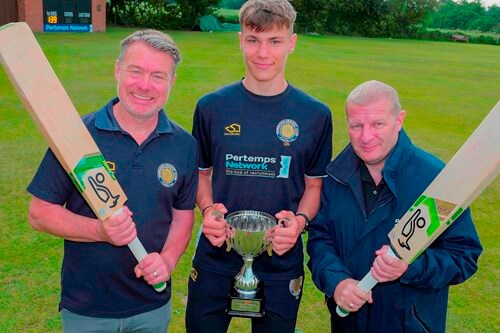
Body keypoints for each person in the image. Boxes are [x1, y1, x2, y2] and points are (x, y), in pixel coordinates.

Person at [27, 29, 198, 332]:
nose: (145, 85)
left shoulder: (184, 145)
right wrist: (99, 230)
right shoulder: (77, 135)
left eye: (158, 76)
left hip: (152, 308)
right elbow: (39, 213)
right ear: (118, 70)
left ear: (172, 82)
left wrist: (168, 260)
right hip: (88, 309)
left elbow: (183, 216)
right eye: (136, 71)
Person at [185, 1, 333, 332]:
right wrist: (208, 210)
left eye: (274, 41)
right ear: (240, 40)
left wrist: (298, 223)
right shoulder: (211, 107)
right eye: (253, 39)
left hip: (281, 259)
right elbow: (201, 174)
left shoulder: (315, 114)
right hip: (217, 255)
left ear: (291, 43)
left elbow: (315, 185)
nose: (262, 52)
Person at [307, 80, 482, 333]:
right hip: (348, 324)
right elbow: (320, 240)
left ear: (399, 121)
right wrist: (338, 283)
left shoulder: (435, 180)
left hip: (408, 324)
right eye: (357, 125)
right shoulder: (335, 177)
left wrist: (411, 267)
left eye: (378, 123)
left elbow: (463, 255)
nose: (366, 137)